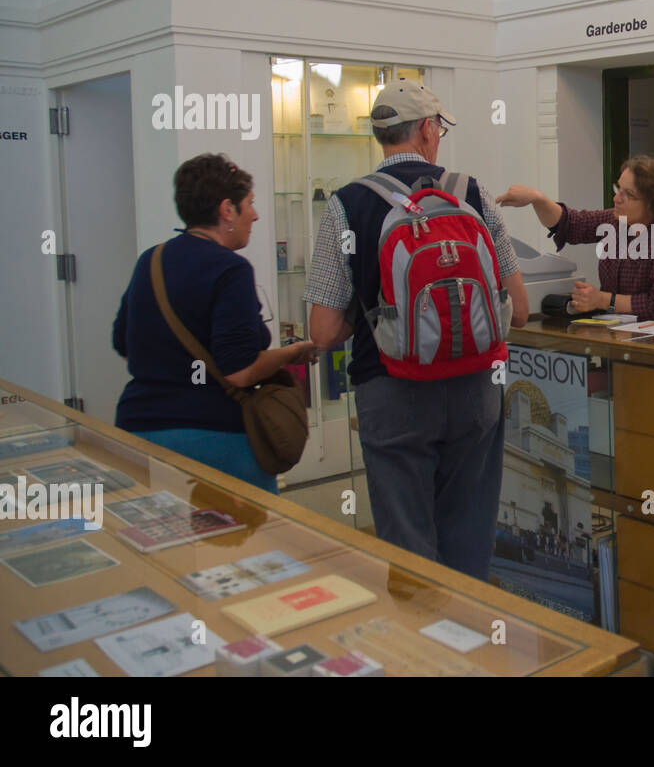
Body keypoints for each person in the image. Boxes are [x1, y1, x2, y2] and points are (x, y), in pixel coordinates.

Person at [304, 78, 528, 581]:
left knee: (408, 546)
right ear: (427, 129)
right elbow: (520, 309)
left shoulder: (347, 205)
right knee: (469, 537)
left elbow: (322, 332)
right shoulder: (474, 193)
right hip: (476, 388)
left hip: (392, 390)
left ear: (383, 135)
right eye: (440, 128)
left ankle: (421, 648)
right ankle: (469, 643)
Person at [113, 154, 317, 494]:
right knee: (249, 543)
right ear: (227, 210)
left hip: (139, 430)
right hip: (213, 439)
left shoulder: (151, 259)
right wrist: (291, 353)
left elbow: (123, 344)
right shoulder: (230, 269)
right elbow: (239, 371)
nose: (255, 215)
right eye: (249, 204)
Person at [497, 156, 654, 320]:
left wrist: (602, 300)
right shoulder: (617, 221)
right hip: (621, 334)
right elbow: (572, 224)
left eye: (628, 194)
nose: (616, 198)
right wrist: (536, 198)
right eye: (618, 188)